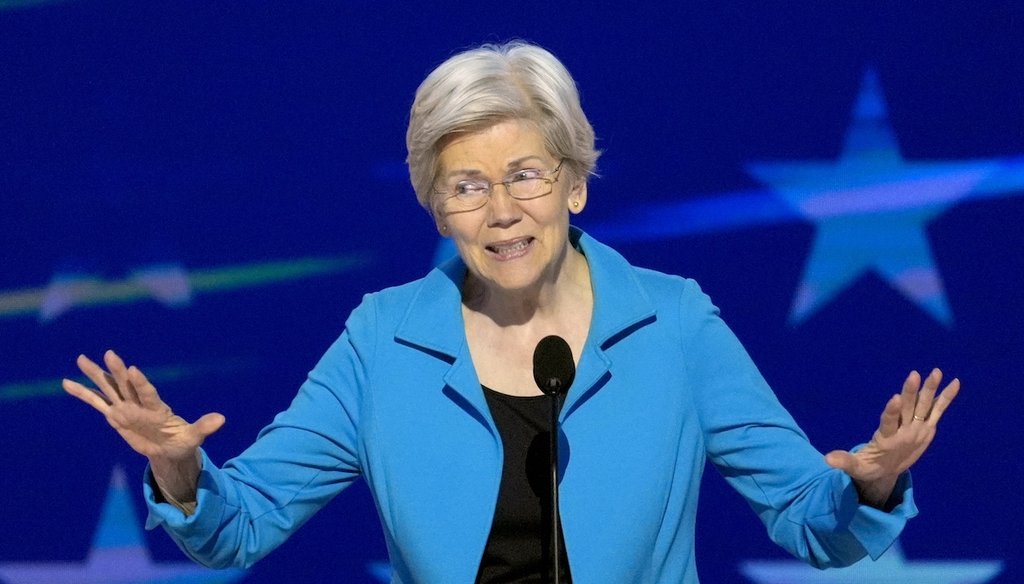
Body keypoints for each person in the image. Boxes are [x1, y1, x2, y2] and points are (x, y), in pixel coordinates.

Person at [64, 41, 960, 583]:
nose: (500, 210)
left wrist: (871, 483)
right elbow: (241, 527)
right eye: (466, 186)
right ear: (435, 206)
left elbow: (814, 520)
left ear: (574, 182)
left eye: (525, 175)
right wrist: (184, 474)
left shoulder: (674, 324)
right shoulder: (385, 341)